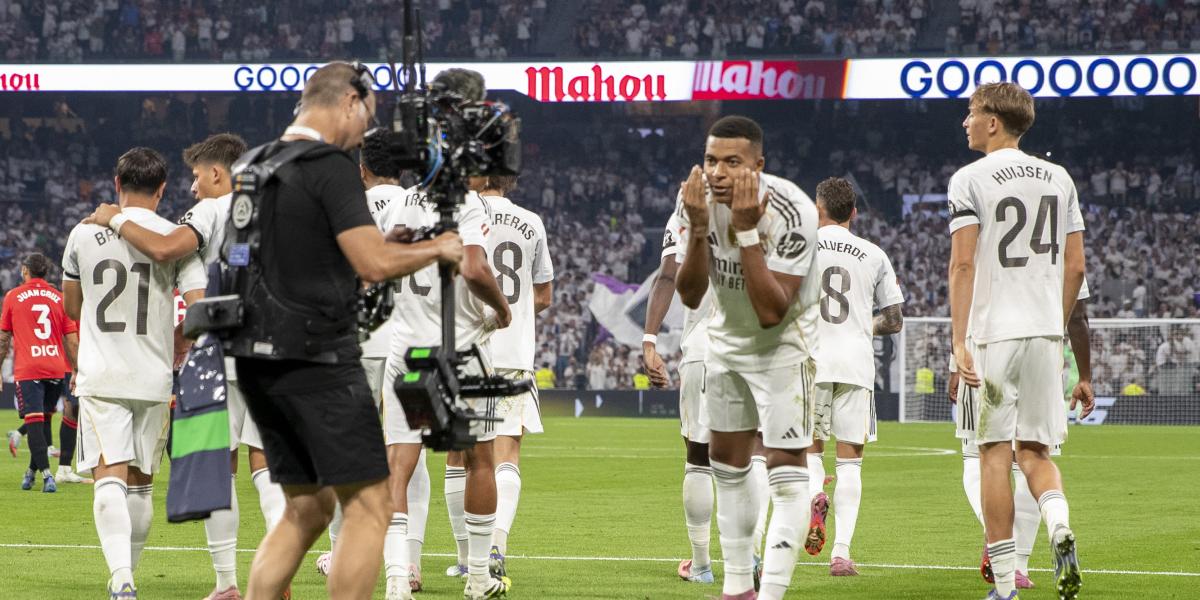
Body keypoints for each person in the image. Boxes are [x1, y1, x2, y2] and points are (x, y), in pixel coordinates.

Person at [218, 62, 463, 600]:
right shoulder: (329, 165)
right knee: (371, 503)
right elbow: (374, 263)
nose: (364, 132)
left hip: (257, 358)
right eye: (366, 116)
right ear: (349, 101)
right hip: (317, 356)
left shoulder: (255, 163)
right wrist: (438, 247)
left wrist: (383, 246)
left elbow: (289, 258)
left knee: (307, 509)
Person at [87, 133, 287, 600]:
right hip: (276, 351)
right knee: (266, 466)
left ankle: (227, 583)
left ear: (217, 172)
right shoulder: (278, 212)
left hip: (224, 353)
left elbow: (165, 248)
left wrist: (114, 218)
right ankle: (280, 576)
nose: (193, 188)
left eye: (197, 177)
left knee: (219, 466)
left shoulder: (213, 209)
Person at [373, 67, 512, 600]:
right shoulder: (469, 204)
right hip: (460, 350)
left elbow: (381, 262)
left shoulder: (404, 201)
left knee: (399, 463)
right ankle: (477, 579)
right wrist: (502, 309)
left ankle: (396, 580)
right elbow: (474, 267)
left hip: (406, 349)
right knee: (479, 458)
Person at [948, 82, 1087, 600]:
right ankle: (1059, 525)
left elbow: (963, 264)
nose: (965, 122)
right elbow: (1076, 268)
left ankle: (1005, 585)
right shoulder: (1060, 177)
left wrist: (959, 340)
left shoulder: (969, 178)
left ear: (992, 122)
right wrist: (1055, 325)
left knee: (992, 454)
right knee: (1036, 452)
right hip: (1045, 334)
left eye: (971, 113)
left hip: (994, 334)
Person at [674, 115, 820, 600]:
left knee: (786, 473)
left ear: (758, 166)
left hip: (783, 349)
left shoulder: (794, 210)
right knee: (726, 465)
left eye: (732, 162)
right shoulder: (695, 198)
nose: (717, 172)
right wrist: (699, 229)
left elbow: (772, 310)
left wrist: (746, 231)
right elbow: (690, 294)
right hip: (724, 345)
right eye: (710, 160)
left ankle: (772, 592)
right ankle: (738, 587)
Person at [62, 147, 209, 599]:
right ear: (162, 190)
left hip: (102, 374)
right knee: (141, 485)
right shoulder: (178, 237)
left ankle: (121, 577)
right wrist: (179, 339)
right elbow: (200, 309)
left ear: (116, 184)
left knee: (109, 476)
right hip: (154, 376)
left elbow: (71, 307)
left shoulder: (82, 234)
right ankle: (128, 574)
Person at [314, 129, 434, 598]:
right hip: (412, 342)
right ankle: (410, 563)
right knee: (409, 453)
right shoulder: (420, 205)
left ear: (361, 168)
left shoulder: (347, 207)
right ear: (400, 168)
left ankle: (341, 554)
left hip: (356, 346)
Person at [952, 283, 1095, 591]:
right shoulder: (1066, 248)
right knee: (1034, 458)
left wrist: (956, 357)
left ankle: (999, 544)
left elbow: (964, 277)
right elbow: (1078, 313)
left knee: (981, 457)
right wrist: (1084, 376)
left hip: (987, 351)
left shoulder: (981, 247)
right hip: (1043, 353)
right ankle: (1053, 528)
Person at [804, 177, 905, 575]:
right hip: (856, 364)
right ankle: (841, 553)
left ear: (818, 209)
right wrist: (864, 325)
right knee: (850, 463)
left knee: (810, 451)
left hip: (811, 361)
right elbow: (894, 320)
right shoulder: (874, 254)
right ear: (854, 212)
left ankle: (816, 494)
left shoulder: (800, 248)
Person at [474, 174, 554, 578]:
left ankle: (467, 557)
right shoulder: (531, 222)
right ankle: (497, 545)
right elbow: (544, 296)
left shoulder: (464, 216)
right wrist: (514, 311)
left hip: (471, 350)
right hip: (515, 355)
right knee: (507, 456)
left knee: (470, 459)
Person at [641, 209, 719, 584]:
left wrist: (649, 341)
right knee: (751, 457)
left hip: (703, 348)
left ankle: (701, 565)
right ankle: (752, 557)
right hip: (753, 351)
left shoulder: (687, 209)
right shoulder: (760, 205)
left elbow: (668, 275)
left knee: (698, 458)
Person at [0, 253, 80, 492]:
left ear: (25, 270)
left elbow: (3, 339)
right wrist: (76, 370)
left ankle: (47, 476)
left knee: (35, 423)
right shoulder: (59, 298)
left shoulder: (13, 296)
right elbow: (72, 341)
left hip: (29, 368)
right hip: (56, 368)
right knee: (42, 421)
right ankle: (30, 473)